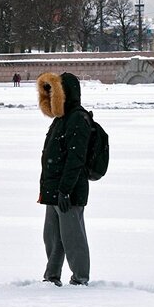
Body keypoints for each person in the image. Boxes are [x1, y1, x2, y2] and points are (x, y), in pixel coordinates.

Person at [36, 72, 92, 286]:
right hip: (54, 191)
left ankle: (80, 278)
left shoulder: (78, 118)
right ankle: (51, 276)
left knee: (73, 239)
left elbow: (75, 159)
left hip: (69, 192)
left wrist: (65, 190)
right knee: (52, 237)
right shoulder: (60, 120)